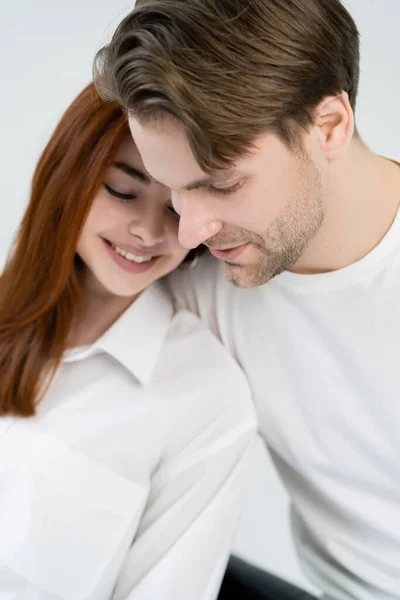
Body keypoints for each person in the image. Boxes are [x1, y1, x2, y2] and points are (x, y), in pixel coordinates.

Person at [93, 1, 400, 599]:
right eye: (175, 191)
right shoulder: (206, 281)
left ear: (330, 126)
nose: (189, 231)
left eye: (222, 185)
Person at [0, 83, 256, 600]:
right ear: (69, 175)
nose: (147, 231)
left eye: (177, 210)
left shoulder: (203, 397)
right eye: (123, 189)